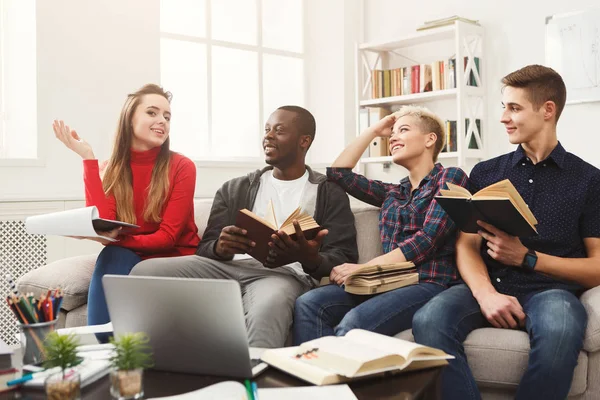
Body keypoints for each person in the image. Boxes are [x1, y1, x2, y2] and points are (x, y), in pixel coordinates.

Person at [412, 65, 600, 400]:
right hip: (488, 283)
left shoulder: (588, 180)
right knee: (429, 318)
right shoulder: (486, 172)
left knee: (560, 329)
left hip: (551, 292)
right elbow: (467, 246)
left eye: (514, 108)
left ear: (547, 110)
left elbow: (597, 268)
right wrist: (486, 294)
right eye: (504, 107)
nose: (503, 118)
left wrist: (527, 258)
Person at [130, 105, 358, 348]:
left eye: (279, 131)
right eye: (267, 129)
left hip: (284, 275)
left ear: (304, 141)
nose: (268, 136)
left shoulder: (328, 193)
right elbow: (206, 247)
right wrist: (221, 248)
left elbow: (343, 257)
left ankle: (256, 379)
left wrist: (309, 257)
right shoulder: (234, 188)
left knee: (268, 308)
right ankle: (146, 363)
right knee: (143, 272)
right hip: (225, 268)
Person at [293, 105, 469, 344]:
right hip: (385, 282)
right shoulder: (393, 193)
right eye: (392, 133)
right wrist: (374, 131)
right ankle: (318, 378)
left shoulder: (451, 177)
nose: (393, 137)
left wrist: (365, 268)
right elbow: (337, 173)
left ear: (430, 139)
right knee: (309, 303)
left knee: (353, 325)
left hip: (428, 282)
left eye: (403, 130)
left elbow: (428, 239)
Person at [53, 84, 199, 341]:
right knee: (113, 254)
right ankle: (110, 356)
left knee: (114, 250)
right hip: (130, 256)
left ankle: (117, 357)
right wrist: (88, 159)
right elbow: (101, 219)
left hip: (175, 257)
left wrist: (112, 238)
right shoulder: (112, 168)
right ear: (130, 119)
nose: (162, 121)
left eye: (167, 116)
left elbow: (168, 238)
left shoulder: (182, 166)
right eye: (152, 113)